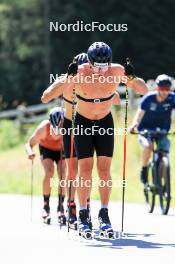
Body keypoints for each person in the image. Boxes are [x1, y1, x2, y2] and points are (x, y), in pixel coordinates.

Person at [41, 41, 148, 238]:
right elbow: (46, 97)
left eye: (104, 65)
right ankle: (82, 213)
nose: (100, 70)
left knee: (105, 170)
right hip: (82, 123)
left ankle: (104, 213)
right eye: (96, 66)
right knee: (86, 170)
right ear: (89, 62)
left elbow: (143, 90)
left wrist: (132, 78)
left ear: (110, 61)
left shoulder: (116, 71)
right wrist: (68, 77)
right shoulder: (80, 72)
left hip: (105, 123)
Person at [130, 74, 175, 185]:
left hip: (162, 130)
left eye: (167, 89)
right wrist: (134, 124)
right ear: (157, 88)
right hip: (145, 130)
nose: (165, 92)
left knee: (164, 148)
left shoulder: (172, 98)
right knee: (147, 146)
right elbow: (139, 114)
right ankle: (144, 170)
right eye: (162, 89)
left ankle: (161, 171)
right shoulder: (149, 98)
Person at [26, 107, 66, 224]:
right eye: (54, 130)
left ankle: (60, 206)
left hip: (61, 151)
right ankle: (46, 206)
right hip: (46, 149)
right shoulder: (44, 127)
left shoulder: (68, 128)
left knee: (63, 174)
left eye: (59, 130)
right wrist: (30, 153)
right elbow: (29, 144)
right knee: (49, 172)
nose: (56, 134)